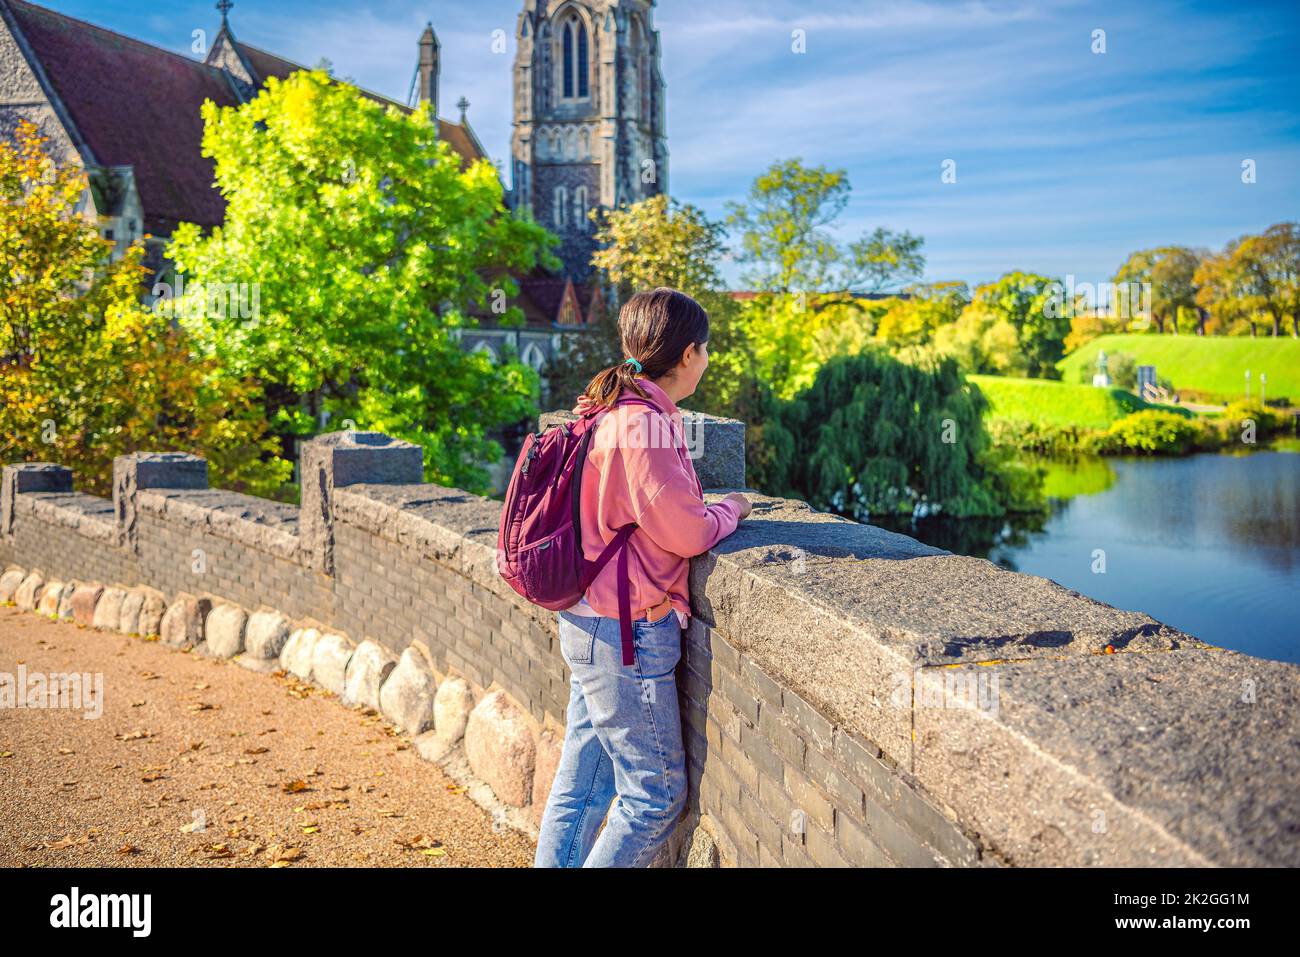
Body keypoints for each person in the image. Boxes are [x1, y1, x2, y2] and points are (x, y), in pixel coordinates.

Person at [533, 287, 752, 868]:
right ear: (688, 356)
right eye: (705, 349)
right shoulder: (645, 424)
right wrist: (732, 509)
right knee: (653, 798)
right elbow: (686, 533)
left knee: (583, 788)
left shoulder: (609, 406)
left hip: (588, 618)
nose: (706, 360)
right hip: (626, 630)